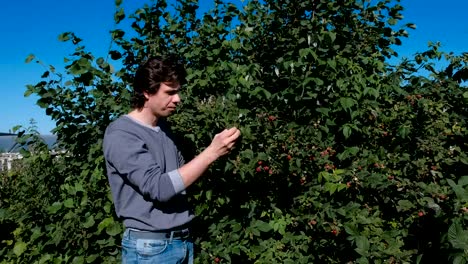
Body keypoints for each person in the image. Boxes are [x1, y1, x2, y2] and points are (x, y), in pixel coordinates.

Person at [102, 55, 241, 263]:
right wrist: (211, 152)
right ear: (147, 92)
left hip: (181, 242)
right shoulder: (122, 133)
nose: (178, 99)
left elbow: (181, 180)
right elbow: (159, 188)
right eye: (170, 92)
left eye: (178, 91)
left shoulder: (163, 130)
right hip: (150, 249)